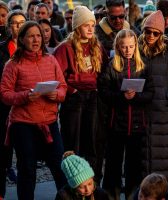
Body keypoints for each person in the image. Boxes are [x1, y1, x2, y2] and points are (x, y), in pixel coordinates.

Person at [0, 21, 67, 200]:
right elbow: (5, 94)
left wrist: (57, 94)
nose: (36, 39)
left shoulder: (51, 60)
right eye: (31, 36)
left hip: (50, 122)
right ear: (22, 39)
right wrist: (24, 96)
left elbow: (63, 87)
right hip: (23, 124)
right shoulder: (12, 64)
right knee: (27, 170)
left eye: (38, 35)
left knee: (60, 167)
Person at [53, 5, 108, 185]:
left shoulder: (97, 47)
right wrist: (71, 90)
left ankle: (92, 186)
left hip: (93, 97)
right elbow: (56, 75)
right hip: (74, 99)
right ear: (77, 26)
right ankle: (72, 187)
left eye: (93, 24)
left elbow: (105, 71)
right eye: (86, 25)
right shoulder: (65, 48)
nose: (91, 28)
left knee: (92, 143)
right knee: (72, 145)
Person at [99, 29, 153, 200]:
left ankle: (133, 194)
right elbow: (104, 91)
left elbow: (151, 92)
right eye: (124, 47)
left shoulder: (142, 64)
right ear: (118, 47)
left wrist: (136, 96)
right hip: (117, 123)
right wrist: (121, 97)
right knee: (113, 162)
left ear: (135, 46)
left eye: (130, 46)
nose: (127, 50)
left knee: (134, 164)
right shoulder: (111, 65)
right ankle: (111, 193)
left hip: (137, 123)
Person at [138, 10, 168, 182]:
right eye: (147, 31)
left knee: (163, 159)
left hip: (164, 111)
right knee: (142, 160)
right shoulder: (136, 48)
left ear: (161, 34)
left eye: (155, 33)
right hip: (141, 109)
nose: (151, 35)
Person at [0, 10, 26, 199]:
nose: (18, 25)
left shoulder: (33, 49)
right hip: (4, 108)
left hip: (26, 108)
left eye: (22, 22)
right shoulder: (2, 48)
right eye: (15, 23)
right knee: (2, 153)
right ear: (9, 27)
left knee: (26, 156)